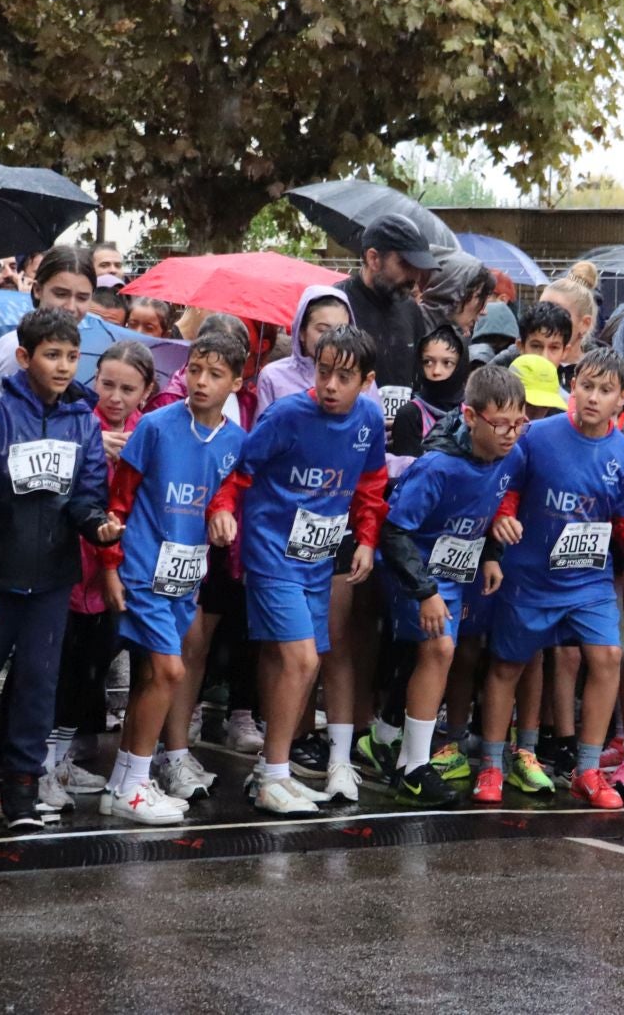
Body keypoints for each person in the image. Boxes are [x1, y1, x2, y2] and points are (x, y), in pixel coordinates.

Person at [0, 308, 121, 831]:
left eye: (71, 356)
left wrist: (98, 527)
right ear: (24, 357)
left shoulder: (82, 421)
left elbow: (85, 497)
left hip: (51, 579)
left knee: (37, 684)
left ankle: (19, 785)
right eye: (51, 355)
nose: (64, 366)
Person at [207, 325, 386, 814]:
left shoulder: (370, 419)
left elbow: (371, 483)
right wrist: (223, 509)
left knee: (282, 661)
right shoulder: (287, 414)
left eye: (344, 377)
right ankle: (276, 775)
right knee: (304, 661)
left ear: (366, 381)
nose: (330, 385)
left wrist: (367, 540)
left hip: (320, 558)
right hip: (271, 552)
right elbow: (238, 469)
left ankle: (271, 771)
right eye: (323, 371)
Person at [91, 331, 248, 824]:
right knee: (170, 672)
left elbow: (226, 487)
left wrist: (223, 513)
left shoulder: (235, 440)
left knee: (149, 677)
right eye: (196, 370)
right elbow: (120, 499)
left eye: (215, 374)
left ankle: (121, 778)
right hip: (142, 565)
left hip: (186, 575)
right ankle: (135, 787)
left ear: (237, 383)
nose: (201, 382)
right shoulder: (156, 426)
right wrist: (111, 565)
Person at [488, 348, 624, 808]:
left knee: (607, 657)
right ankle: (490, 765)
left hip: (588, 579)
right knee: (508, 666)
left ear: (622, 400)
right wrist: (503, 517)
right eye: (586, 386)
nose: (593, 398)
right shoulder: (536, 437)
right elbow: (507, 488)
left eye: (605, 391)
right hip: (530, 575)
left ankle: (586, 771)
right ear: (573, 386)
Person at [379, 366, 525, 808]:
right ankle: (415, 767)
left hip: (459, 571)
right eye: (501, 424)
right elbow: (395, 531)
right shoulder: (436, 467)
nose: (511, 435)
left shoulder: (512, 457)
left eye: (520, 424)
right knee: (438, 649)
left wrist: (493, 554)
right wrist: (424, 590)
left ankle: (394, 746)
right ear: (470, 416)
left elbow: (496, 503)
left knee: (436, 655)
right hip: (416, 566)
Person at [43, 340, 152, 814]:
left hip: (117, 573)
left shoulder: (146, 434)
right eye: (106, 384)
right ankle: (40, 767)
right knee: (58, 672)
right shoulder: (76, 423)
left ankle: (61, 760)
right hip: (70, 571)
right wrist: (92, 448)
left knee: (92, 671)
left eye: (128, 389)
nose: (115, 397)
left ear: (146, 394)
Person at [331, 214, 440, 425]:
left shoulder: (411, 310)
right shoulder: (336, 304)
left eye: (419, 267)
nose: (415, 277)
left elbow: (420, 379)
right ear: (373, 259)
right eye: (405, 264)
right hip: (348, 433)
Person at [0, 246, 98, 395]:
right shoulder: (17, 348)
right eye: (61, 294)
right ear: (37, 290)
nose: (71, 307)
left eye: (82, 298)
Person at [255, 284, 353, 412]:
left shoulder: (359, 377)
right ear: (301, 331)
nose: (333, 338)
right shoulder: (273, 377)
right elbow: (264, 429)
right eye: (323, 330)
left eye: (341, 330)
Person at [388, 325, 472, 463]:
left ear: (461, 366)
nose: (436, 371)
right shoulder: (410, 414)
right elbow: (407, 474)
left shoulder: (470, 411)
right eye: (428, 362)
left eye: (447, 363)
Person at [418, 249, 493, 340]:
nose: (483, 311)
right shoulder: (408, 330)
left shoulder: (453, 340)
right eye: (478, 296)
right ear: (452, 292)